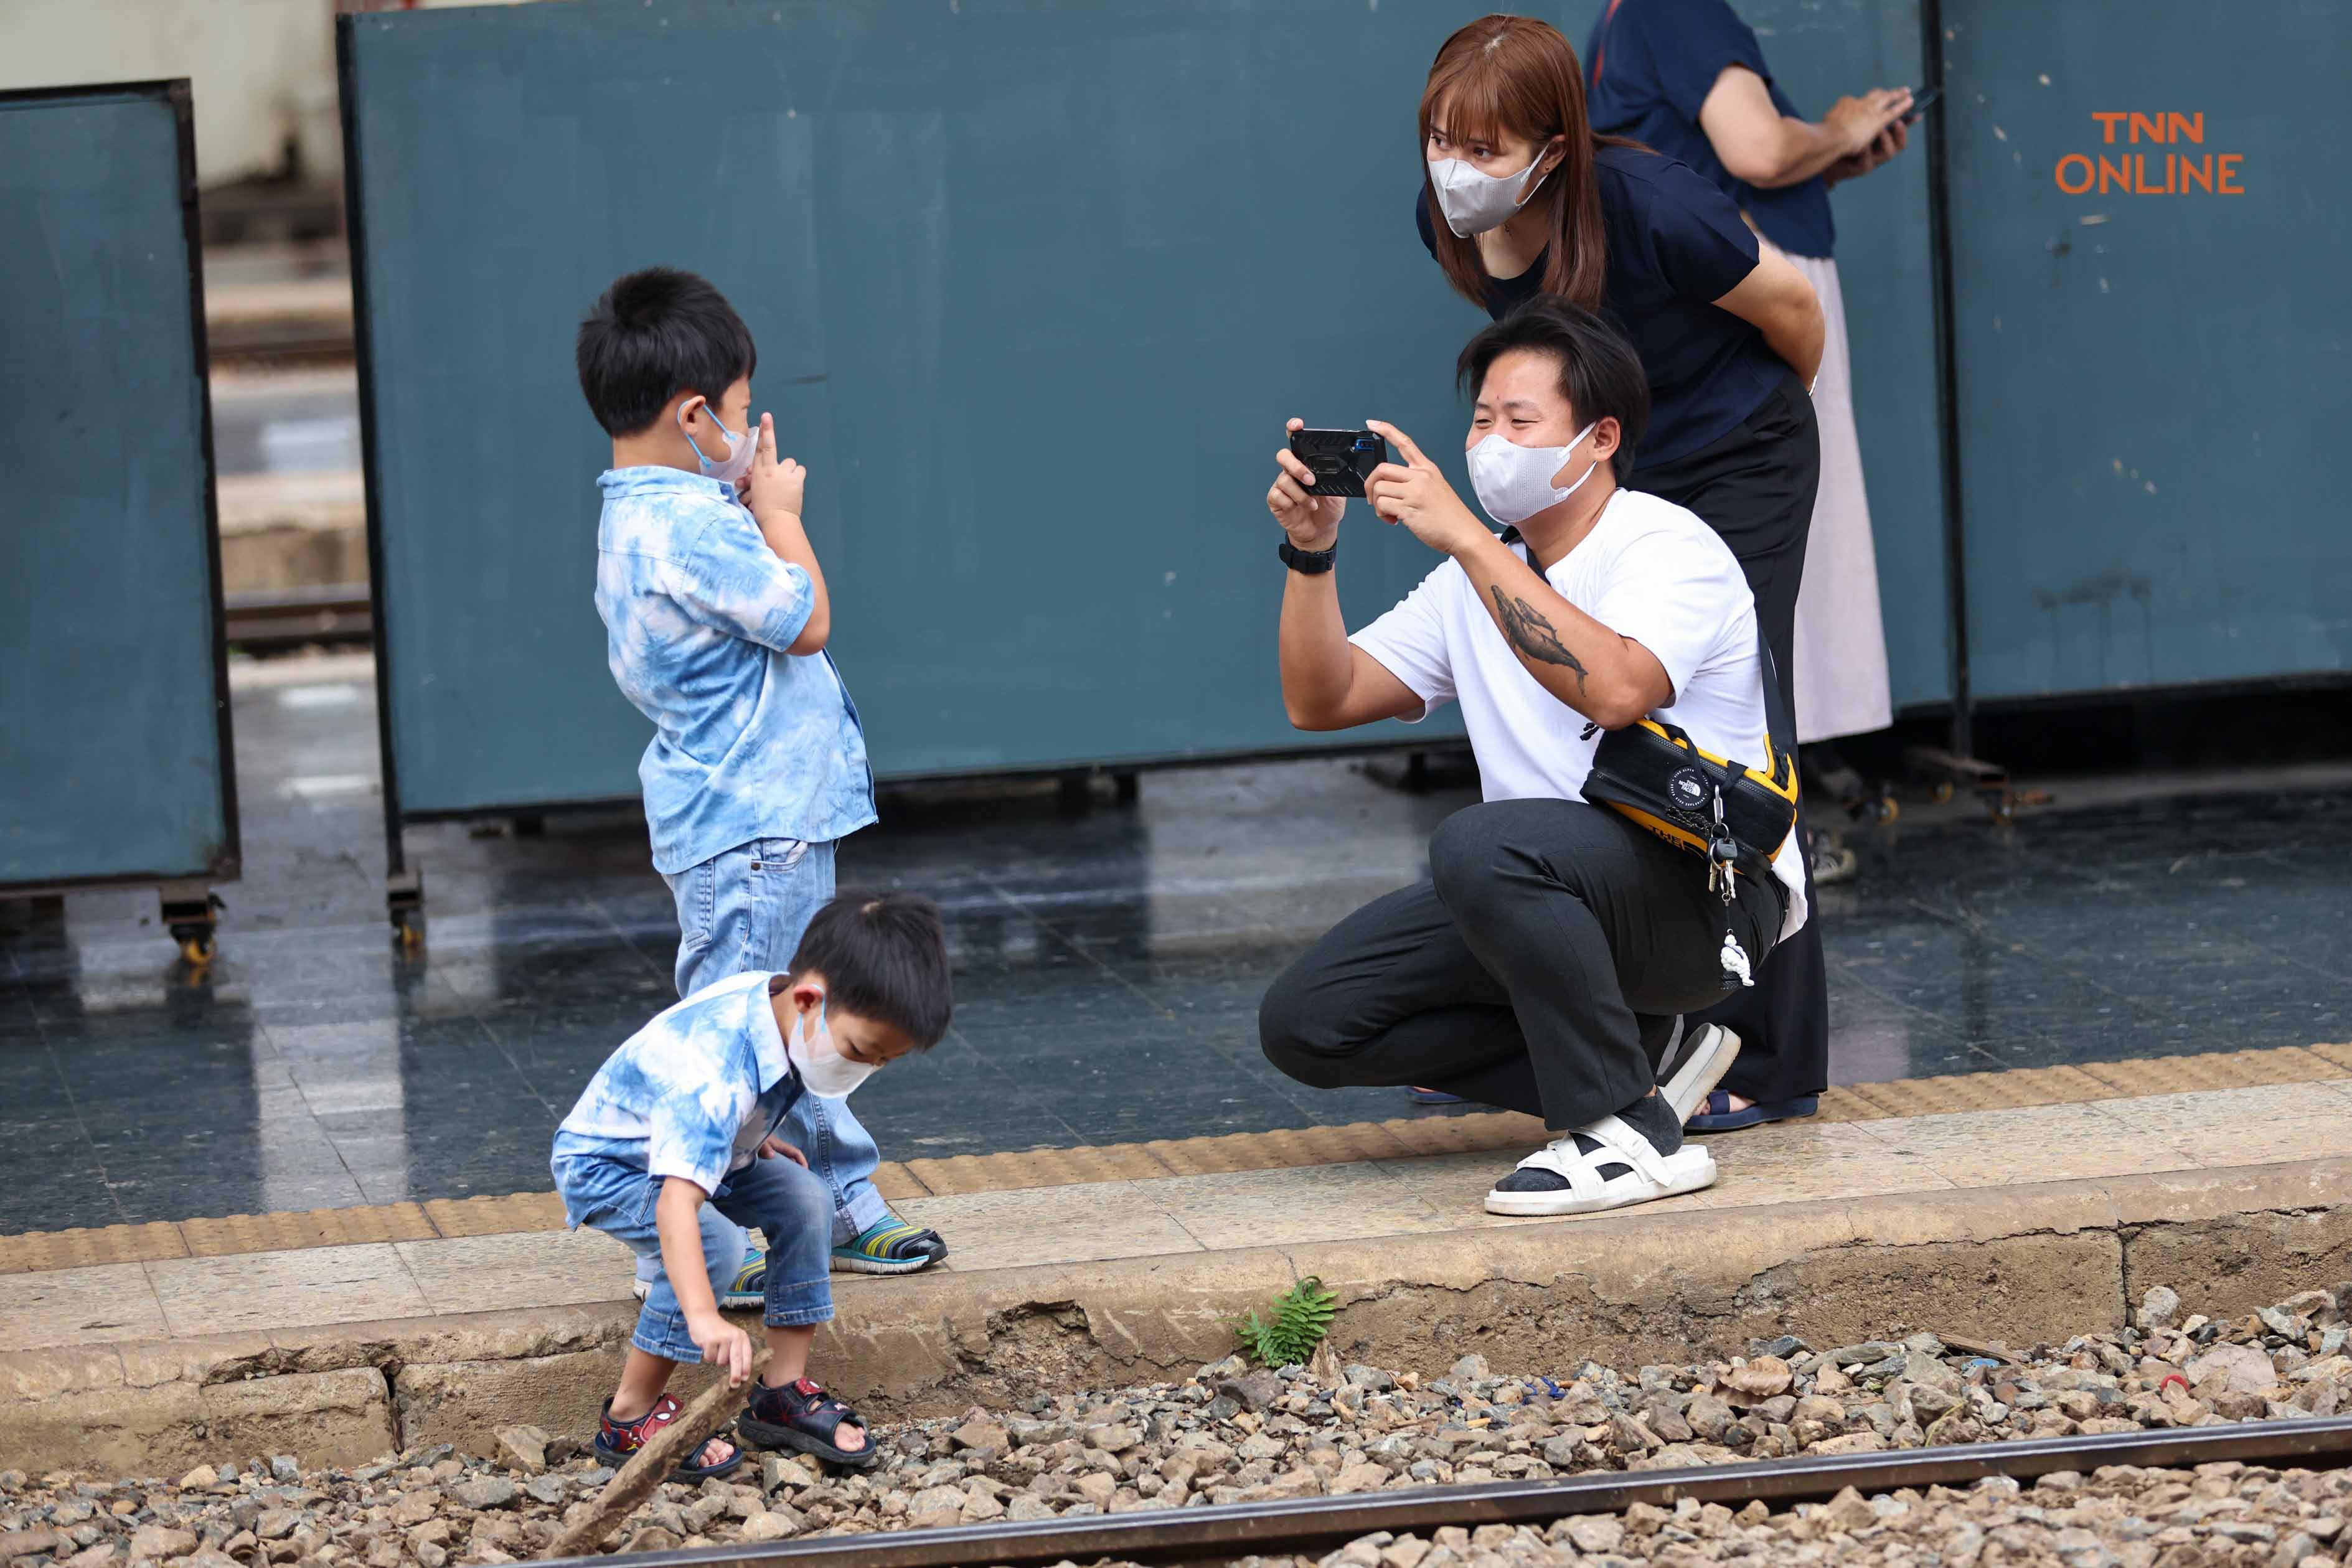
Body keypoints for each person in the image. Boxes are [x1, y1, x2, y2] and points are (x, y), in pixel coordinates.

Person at [1256, 300, 1807, 1217]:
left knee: (1483, 842)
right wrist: (1310, 554)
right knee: (1310, 1022)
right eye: (1480, 419)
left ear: (1598, 439)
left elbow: (1616, 689)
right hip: (1540, 891)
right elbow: (1323, 699)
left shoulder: (1665, 545)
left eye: (1520, 421)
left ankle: (1618, 1129)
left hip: (1703, 898)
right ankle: (1655, 1062)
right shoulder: (1471, 578)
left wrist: (1468, 539)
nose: (1490, 442)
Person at [1407, 14, 1828, 1132]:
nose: (1457, 170)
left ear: (1555, 144)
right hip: (1599, 469)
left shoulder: (1651, 204)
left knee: (1716, 734)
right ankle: (1590, 1016)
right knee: (1577, 706)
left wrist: (1732, 426)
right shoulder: (1447, 222)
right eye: (1441, 140)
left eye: (1487, 148)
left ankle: (1768, 1053)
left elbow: (1795, 314)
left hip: (1734, 455)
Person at [575, 268, 949, 1291]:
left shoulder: (643, 513)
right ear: (693, 414)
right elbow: (804, 615)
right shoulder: (696, 526)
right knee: (774, 1027)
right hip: (757, 823)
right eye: (740, 413)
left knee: (759, 1023)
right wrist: (779, 511)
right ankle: (778, 1220)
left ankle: (790, 1210)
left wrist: (735, 497)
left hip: (736, 815)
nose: (750, 432)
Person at [1584, 0, 1913, 886]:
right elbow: (1754, 152)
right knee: (1775, 573)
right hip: (1753, 302)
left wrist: (1826, 162)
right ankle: (1764, 825)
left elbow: (1731, 167)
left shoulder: (1625, 20)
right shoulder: (1674, 6)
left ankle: (1736, 817)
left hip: (1713, 301)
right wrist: (1834, 128)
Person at [550, 891, 951, 1477]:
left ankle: (780, 1392)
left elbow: (742, 1100)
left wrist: (749, 1136)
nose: (866, 1069)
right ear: (811, 998)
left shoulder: (783, 1003)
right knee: (717, 1243)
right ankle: (628, 1417)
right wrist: (704, 1317)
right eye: (862, 1052)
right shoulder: (714, 1072)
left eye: (883, 1061)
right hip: (612, 1165)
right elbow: (676, 1203)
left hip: (701, 1146)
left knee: (808, 1198)